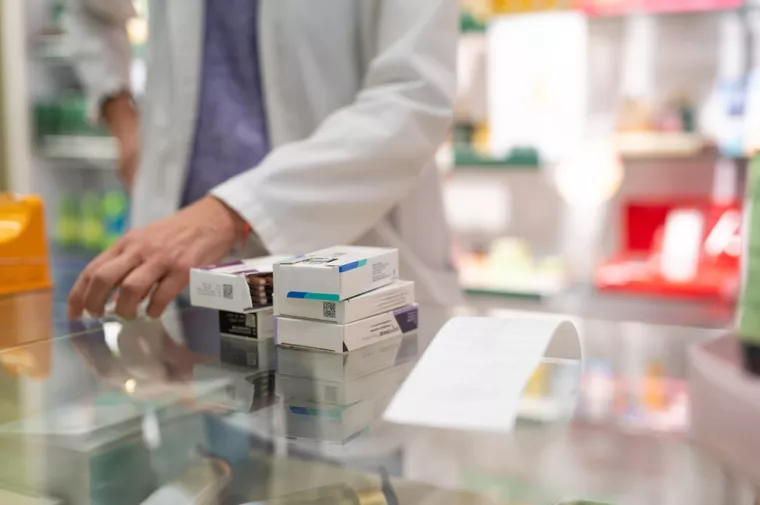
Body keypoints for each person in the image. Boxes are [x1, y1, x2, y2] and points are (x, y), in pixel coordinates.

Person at [65, 0, 461, 320]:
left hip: (345, 266)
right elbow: (88, 11)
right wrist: (124, 122)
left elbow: (412, 98)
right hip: (179, 275)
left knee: (352, 406)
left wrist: (230, 213)